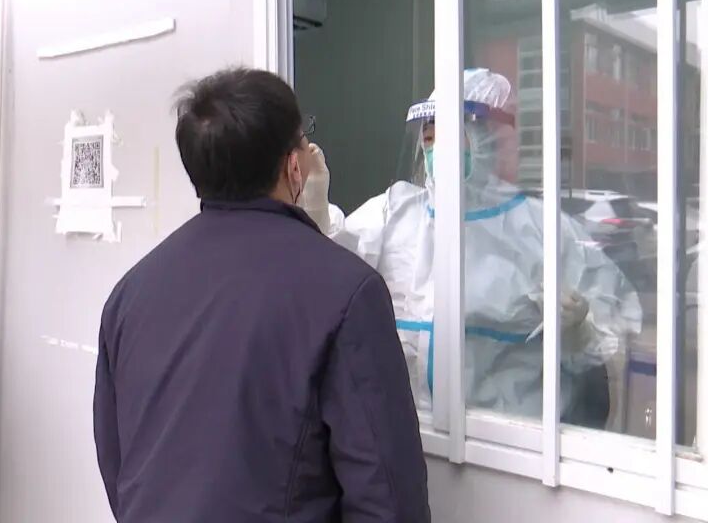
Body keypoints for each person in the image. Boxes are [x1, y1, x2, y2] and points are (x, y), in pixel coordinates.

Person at [94, 68, 430, 522]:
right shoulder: (347, 292)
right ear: (294, 167)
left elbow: (118, 464)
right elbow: (387, 497)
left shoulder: (131, 293)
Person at [301, 68, 642, 425]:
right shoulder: (395, 213)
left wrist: (577, 331)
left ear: (487, 138)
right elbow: (325, 278)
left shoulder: (540, 230)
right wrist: (315, 209)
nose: (436, 150)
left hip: (505, 441)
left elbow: (612, 333)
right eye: (429, 139)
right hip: (409, 432)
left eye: (449, 136)